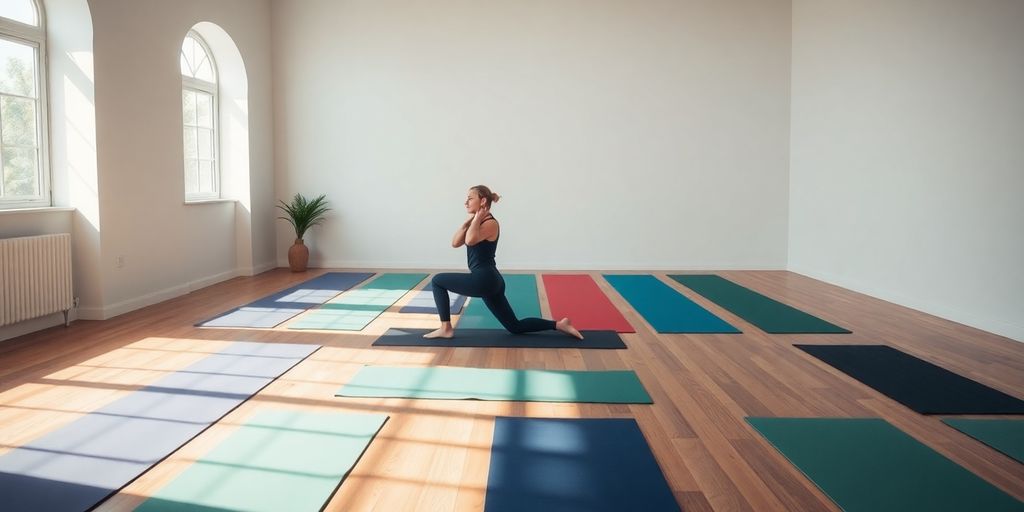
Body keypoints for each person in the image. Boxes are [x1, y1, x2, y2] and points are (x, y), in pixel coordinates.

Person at [424, 185, 583, 340]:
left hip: (485, 280)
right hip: (491, 281)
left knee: (438, 281)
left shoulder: (490, 223)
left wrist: (477, 219)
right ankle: (560, 325)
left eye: (470, 198)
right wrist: (468, 222)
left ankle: (446, 328)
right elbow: (455, 242)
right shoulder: (476, 223)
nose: (466, 202)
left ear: (483, 200)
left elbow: (470, 240)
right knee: (515, 327)